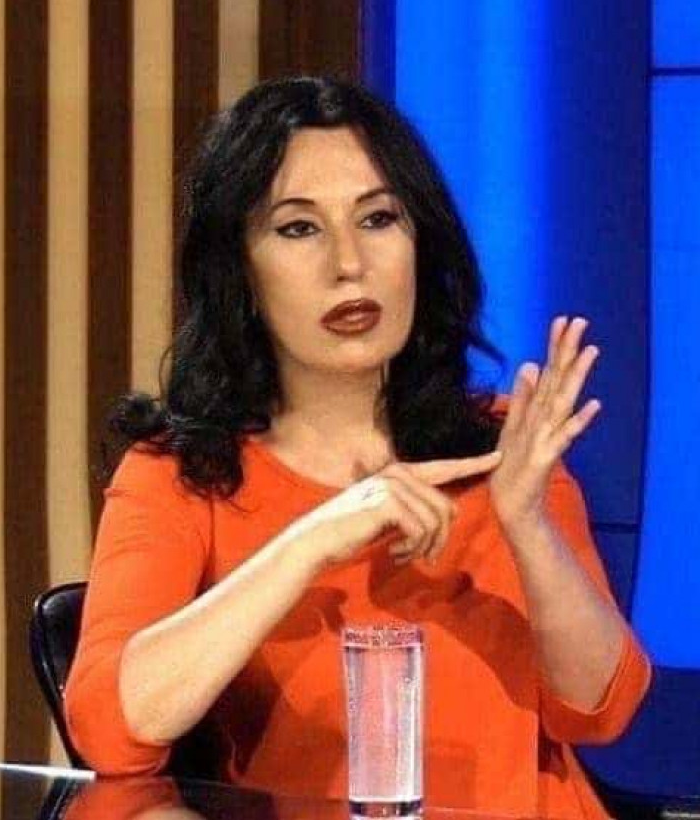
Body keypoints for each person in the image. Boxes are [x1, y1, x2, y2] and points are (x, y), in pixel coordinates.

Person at [64, 75, 651, 819]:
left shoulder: (504, 445)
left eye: (378, 219)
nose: (349, 263)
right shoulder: (181, 474)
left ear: (420, 245)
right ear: (239, 271)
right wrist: (312, 539)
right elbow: (111, 733)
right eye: (298, 228)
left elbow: (602, 710)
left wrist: (528, 526)